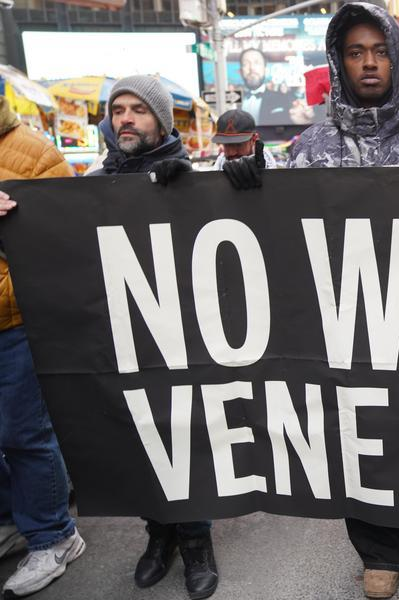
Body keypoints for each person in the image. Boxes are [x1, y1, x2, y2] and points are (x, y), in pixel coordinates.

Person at [246, 4, 399, 598]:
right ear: (338, 62)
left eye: (379, 51)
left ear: (397, 57)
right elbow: (279, 236)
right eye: (354, 52)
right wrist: (243, 187)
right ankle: (379, 551)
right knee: (360, 437)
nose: (369, 63)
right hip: (346, 327)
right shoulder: (312, 146)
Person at [89, 75, 219, 600]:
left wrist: (189, 192)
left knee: (182, 439)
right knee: (136, 439)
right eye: (118, 109)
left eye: (139, 110)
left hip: (180, 338)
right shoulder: (94, 181)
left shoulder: (189, 176)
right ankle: (157, 534)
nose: (125, 118)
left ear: (161, 122)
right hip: (121, 337)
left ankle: (195, 541)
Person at [0, 96, 85, 599]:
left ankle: (54, 535)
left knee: (23, 434)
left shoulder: (32, 153)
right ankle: (15, 518)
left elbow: (63, 237)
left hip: (14, 321)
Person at [238, 48, 294, 126]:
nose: (252, 68)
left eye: (257, 63)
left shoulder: (281, 99)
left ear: (265, 70)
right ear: (240, 72)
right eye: (245, 64)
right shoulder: (232, 101)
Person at [210, 109, 277, 171]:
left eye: (238, 145)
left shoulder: (265, 159)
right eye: (227, 145)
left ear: (253, 139)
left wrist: (264, 175)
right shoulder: (221, 161)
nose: (232, 152)